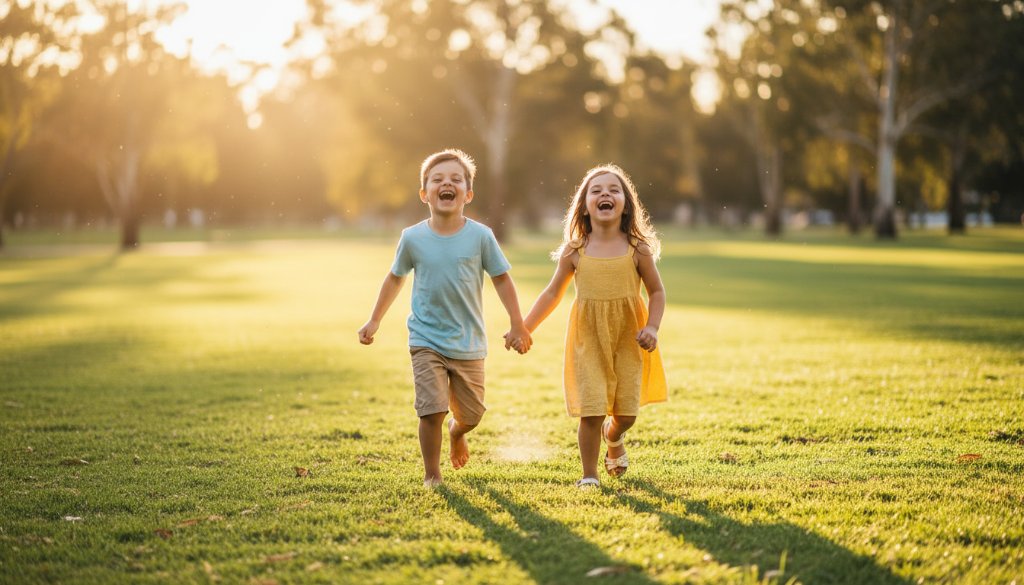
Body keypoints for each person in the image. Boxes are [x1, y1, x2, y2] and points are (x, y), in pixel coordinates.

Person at [358, 148, 532, 488]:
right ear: (425, 194)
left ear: (468, 194)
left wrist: (517, 322)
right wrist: (375, 320)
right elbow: (395, 277)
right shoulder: (412, 237)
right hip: (426, 339)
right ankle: (432, 474)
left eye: (455, 179)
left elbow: (501, 278)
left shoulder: (481, 236)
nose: (446, 184)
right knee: (432, 410)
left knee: (472, 414)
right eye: (437, 180)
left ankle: (458, 432)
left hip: (468, 341)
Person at [510, 164, 667, 488]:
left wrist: (651, 327)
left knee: (627, 414)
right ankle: (589, 475)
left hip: (629, 337)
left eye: (613, 189)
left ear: (626, 203)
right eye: (596, 190)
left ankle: (614, 435)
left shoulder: (637, 248)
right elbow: (553, 293)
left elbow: (656, 291)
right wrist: (525, 327)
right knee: (591, 410)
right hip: (588, 338)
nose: (605, 194)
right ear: (584, 205)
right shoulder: (575, 250)